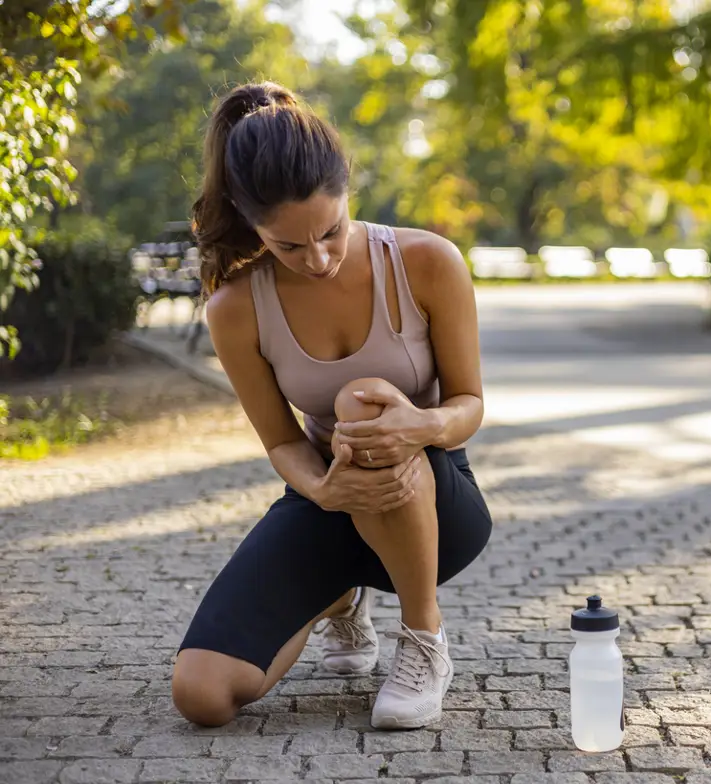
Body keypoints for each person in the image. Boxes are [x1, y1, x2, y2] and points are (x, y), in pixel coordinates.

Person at [171, 81, 493, 731]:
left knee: (363, 405)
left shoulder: (428, 262)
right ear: (248, 218)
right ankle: (341, 597)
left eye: (331, 230)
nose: (317, 258)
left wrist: (420, 425)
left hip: (436, 501)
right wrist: (323, 492)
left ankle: (424, 639)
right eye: (290, 246)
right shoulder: (235, 309)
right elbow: (283, 443)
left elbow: (470, 404)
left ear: (348, 190)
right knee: (201, 695)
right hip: (330, 495)